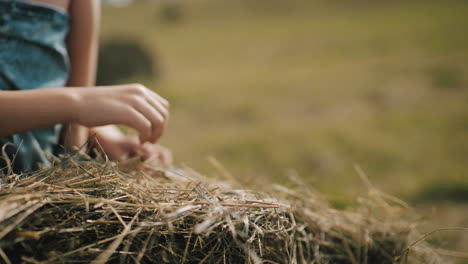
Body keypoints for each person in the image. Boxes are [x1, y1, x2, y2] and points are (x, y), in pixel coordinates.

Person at [0, 0, 171, 174]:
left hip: (43, 172)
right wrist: (76, 103)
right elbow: (77, 101)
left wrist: (97, 134)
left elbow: (74, 132)